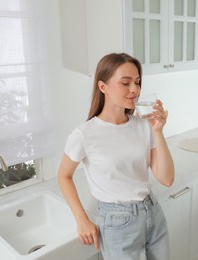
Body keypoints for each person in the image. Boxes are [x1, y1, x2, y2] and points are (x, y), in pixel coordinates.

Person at [58, 53, 175, 260]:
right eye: (125, 83)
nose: (135, 90)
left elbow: (166, 179)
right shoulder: (84, 134)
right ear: (103, 87)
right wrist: (81, 219)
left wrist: (158, 131)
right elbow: (63, 176)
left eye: (137, 82)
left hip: (153, 212)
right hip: (118, 223)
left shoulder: (144, 126)